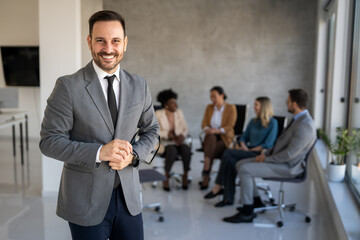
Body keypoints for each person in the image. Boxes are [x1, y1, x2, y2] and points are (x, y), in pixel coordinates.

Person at [39, 10, 159, 239]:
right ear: (89, 42)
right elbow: (49, 141)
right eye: (100, 40)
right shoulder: (68, 87)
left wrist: (133, 155)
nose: (108, 48)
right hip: (84, 200)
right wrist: (99, 152)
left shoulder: (139, 85)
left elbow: (152, 130)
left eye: (115, 41)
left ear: (124, 43)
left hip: (129, 198)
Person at [222, 89, 316, 223]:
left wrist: (266, 159)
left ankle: (247, 212)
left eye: (288, 101)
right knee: (240, 164)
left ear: (294, 104)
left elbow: (289, 155)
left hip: (288, 167)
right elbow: (280, 144)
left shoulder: (305, 125)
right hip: (278, 160)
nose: (286, 103)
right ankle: (256, 201)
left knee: (245, 169)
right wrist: (265, 153)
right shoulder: (297, 119)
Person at [204, 97, 278, 207]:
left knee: (228, 153)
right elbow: (243, 137)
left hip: (259, 154)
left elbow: (268, 144)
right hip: (247, 151)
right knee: (229, 159)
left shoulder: (273, 123)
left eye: (256, 105)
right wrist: (243, 145)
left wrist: (250, 149)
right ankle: (227, 198)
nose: (254, 107)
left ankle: (220, 188)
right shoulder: (253, 121)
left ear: (263, 107)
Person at [200, 86, 237, 190]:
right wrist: (208, 129)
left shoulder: (231, 108)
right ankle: (207, 166)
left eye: (214, 96)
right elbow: (204, 124)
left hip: (225, 138)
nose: (212, 99)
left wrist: (216, 130)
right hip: (211, 136)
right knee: (210, 137)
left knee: (212, 146)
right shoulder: (209, 107)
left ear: (222, 95)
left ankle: (206, 172)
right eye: (211, 96)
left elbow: (230, 126)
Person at [155, 89, 191, 191]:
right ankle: (166, 176)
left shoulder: (179, 112)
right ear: (165, 104)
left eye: (175, 102)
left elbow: (186, 128)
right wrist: (167, 134)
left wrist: (182, 136)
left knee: (186, 149)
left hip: (179, 141)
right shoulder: (158, 114)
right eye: (172, 102)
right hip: (164, 142)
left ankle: (185, 175)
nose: (175, 104)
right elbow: (154, 131)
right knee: (172, 150)